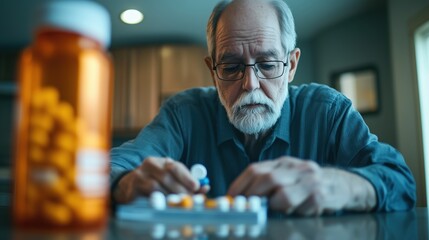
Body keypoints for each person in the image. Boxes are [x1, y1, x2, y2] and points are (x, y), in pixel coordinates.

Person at [110, 0, 416, 216]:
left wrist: (336, 184)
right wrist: (126, 185)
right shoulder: (183, 115)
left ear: (292, 65)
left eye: (268, 65)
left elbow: (401, 181)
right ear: (212, 69)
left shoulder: (327, 112)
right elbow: (106, 169)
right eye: (231, 67)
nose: (250, 84)